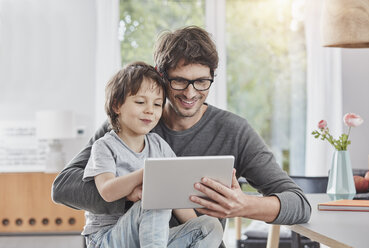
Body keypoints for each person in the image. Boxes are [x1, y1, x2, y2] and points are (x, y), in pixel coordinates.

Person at [52, 26, 311, 246]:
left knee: (197, 219)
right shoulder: (128, 124)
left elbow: (299, 204)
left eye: (201, 82)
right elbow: (63, 188)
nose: (190, 93)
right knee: (157, 200)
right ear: (161, 77)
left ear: (211, 78)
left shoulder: (234, 131)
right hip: (125, 238)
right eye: (179, 81)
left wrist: (243, 205)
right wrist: (132, 192)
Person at [81, 61, 223, 248]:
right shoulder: (105, 146)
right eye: (140, 102)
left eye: (157, 105)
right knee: (155, 195)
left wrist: (194, 225)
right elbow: (107, 191)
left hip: (149, 239)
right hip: (107, 239)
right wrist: (147, 175)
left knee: (210, 226)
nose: (150, 110)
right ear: (117, 105)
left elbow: (175, 196)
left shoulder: (159, 146)